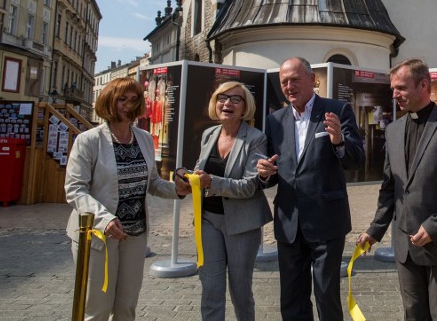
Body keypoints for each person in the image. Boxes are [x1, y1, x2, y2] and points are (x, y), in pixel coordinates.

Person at [356, 58, 437, 321]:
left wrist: (434, 225)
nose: (394, 94)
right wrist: (375, 230)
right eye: (393, 88)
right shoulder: (393, 131)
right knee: (413, 315)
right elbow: (390, 188)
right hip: (405, 247)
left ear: (424, 85)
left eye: (400, 88)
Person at [64, 77, 191, 321]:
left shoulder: (143, 138)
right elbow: (75, 189)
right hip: (98, 236)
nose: (128, 105)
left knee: (126, 307)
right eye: (122, 99)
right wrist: (105, 220)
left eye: (134, 99)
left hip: (134, 235)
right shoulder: (89, 141)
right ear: (108, 101)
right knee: (97, 308)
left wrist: (177, 190)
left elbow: (152, 182)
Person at [257, 57, 364, 321]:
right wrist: (263, 174)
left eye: (294, 79)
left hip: (326, 220)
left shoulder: (337, 109)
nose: (289, 86)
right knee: (292, 298)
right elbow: (271, 171)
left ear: (312, 78)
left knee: (326, 295)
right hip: (289, 220)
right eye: (284, 82)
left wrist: (339, 141)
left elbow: (356, 160)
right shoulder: (275, 120)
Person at [191, 81, 272, 321]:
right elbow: (199, 169)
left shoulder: (256, 138)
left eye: (236, 99)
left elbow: (249, 185)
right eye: (222, 97)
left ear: (245, 106)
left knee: (240, 291)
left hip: (242, 225)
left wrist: (210, 182)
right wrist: (187, 177)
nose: (227, 103)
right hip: (208, 221)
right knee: (211, 289)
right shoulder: (209, 134)